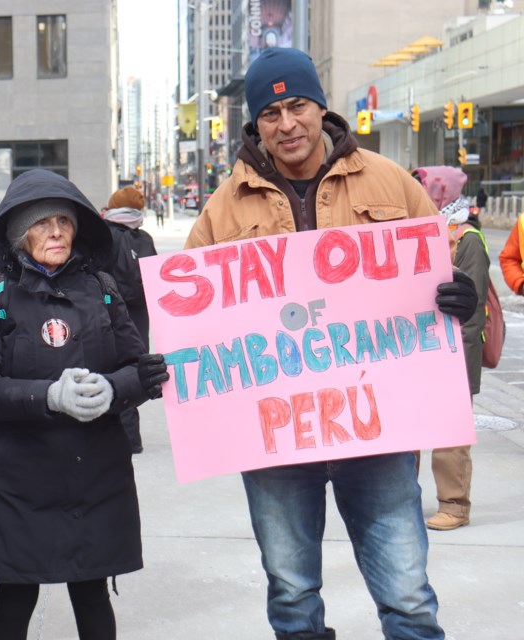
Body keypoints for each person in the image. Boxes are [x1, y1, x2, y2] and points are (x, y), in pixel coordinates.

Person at [184, 48, 478, 639]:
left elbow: (439, 270)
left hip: (377, 426)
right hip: (276, 434)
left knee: (408, 595)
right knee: (292, 595)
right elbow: (194, 317)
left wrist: (459, 296)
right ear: (256, 123)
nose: (286, 123)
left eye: (297, 106)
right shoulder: (223, 207)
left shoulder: (389, 180)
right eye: (271, 112)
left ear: (321, 107)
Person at [0, 169, 169, 640]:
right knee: (15, 597)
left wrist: (117, 389)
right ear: (17, 232)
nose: (56, 231)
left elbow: (138, 366)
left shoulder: (102, 287)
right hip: (17, 481)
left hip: (92, 476)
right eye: (41, 223)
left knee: (92, 594)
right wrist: (48, 397)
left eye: (64, 221)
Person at [415, 166, 488, 531]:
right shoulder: (418, 230)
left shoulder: (467, 237)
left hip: (454, 352)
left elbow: (473, 310)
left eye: (421, 186)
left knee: (449, 437)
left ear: (441, 192)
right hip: (416, 350)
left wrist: (461, 364)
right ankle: (403, 498)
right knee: (408, 430)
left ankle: (454, 505)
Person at [102, 185, 158, 453]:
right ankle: (132, 438)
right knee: (133, 370)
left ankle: (120, 439)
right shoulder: (144, 238)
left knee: (111, 370)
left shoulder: (106, 235)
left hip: (111, 311)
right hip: (139, 315)